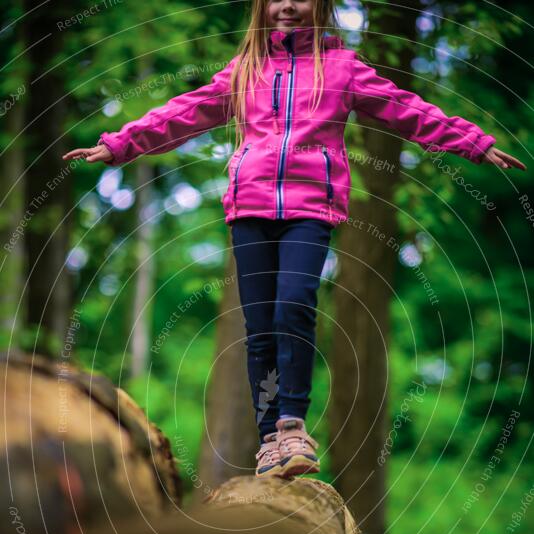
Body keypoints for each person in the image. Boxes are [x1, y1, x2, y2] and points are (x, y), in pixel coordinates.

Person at [63, 0, 526, 479]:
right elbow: (185, 111)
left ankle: (293, 426)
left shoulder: (341, 69)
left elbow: (407, 109)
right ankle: (269, 441)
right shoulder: (245, 70)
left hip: (310, 209)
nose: (288, 5)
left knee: (294, 305)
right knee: (260, 325)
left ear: (320, 6)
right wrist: (120, 143)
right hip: (250, 208)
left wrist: (475, 142)